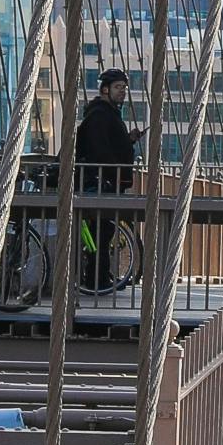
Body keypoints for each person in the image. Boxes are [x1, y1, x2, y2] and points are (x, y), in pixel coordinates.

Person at [72, 67, 136, 290]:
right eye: (118, 88)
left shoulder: (106, 113)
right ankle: (96, 280)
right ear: (105, 89)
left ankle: (101, 277)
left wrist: (128, 141)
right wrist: (112, 174)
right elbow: (100, 150)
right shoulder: (99, 114)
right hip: (100, 182)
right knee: (102, 230)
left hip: (108, 180)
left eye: (124, 88)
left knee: (104, 230)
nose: (122, 92)